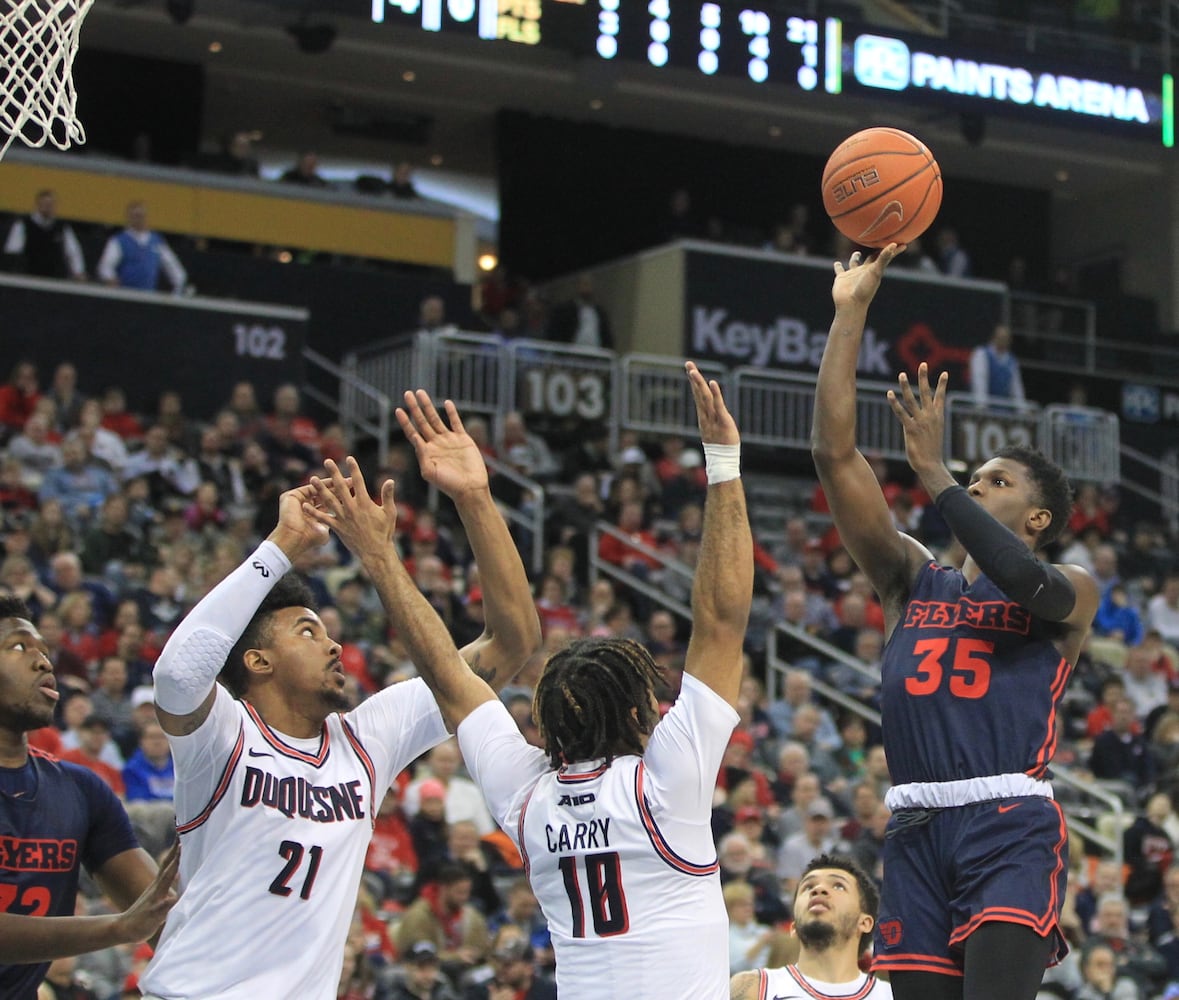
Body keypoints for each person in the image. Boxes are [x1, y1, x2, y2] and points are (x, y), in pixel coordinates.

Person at [306, 364, 752, 999]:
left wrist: (383, 556)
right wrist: (724, 462)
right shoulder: (665, 786)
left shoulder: (530, 801)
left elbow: (446, 676)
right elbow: (722, 619)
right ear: (635, 717)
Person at [139, 445, 540, 998]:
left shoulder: (368, 739)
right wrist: (283, 547)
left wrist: (473, 499)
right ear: (257, 660)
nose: (334, 644)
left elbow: (512, 642)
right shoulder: (223, 735)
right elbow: (179, 675)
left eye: (328, 632)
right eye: (308, 632)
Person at [810, 244, 1100, 1000]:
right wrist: (849, 314)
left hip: (1007, 820)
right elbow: (834, 456)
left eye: (993, 482)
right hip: (913, 826)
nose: (973, 487)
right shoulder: (912, 579)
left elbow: (1023, 579)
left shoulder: (1070, 587)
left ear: (1036, 516)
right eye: (971, 479)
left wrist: (936, 476)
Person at [0, 595, 180, 1000]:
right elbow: (131, 922)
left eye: (45, 652)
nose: (44, 663)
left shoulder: (80, 790)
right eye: (17, 646)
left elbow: (164, 919)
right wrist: (117, 928)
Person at [729, 853, 892, 999]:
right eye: (808, 887)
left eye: (838, 886)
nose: (818, 889)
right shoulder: (754, 988)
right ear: (794, 927)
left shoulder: (892, 995)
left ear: (864, 923)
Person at [96, 201, 188, 294]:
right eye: (135, 216)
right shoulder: (119, 241)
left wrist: (177, 291)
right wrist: (111, 279)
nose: (139, 219)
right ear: (129, 217)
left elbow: (174, 268)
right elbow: (105, 266)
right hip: (125, 295)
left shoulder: (156, 242)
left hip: (148, 296)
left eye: (141, 216)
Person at [2, 189, 87, 280]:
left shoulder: (62, 227)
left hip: (54, 277)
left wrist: (78, 272)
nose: (48, 207)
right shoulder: (24, 224)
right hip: (28, 275)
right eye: (45, 204)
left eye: (51, 204)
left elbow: (73, 251)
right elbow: (13, 250)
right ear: (38, 204)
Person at [970, 323, 1026, 410]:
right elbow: (980, 381)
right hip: (985, 407)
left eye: (1006, 338)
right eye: (1000, 337)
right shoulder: (982, 354)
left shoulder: (1012, 361)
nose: (1003, 340)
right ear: (994, 337)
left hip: (1003, 409)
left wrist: (1022, 409)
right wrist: (981, 406)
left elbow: (1016, 388)